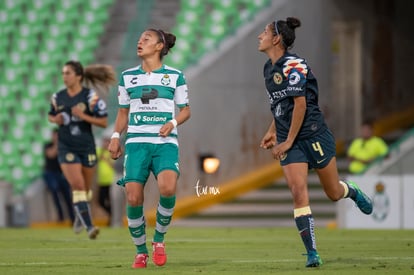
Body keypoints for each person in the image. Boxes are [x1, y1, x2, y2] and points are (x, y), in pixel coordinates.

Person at [258, 17, 373, 268]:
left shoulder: (295, 65)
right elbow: (281, 105)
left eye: (264, 32)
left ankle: (350, 190)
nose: (260, 36)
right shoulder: (268, 69)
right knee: (298, 191)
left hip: (313, 134)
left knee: (332, 193)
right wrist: (272, 130)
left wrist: (287, 140)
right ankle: (312, 252)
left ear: (276, 39)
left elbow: (300, 104)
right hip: (291, 141)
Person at [108, 28, 191, 268]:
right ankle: (141, 251)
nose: (140, 41)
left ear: (159, 47)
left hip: (165, 143)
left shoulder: (175, 76)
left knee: (168, 188)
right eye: (139, 38)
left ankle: (160, 240)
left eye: (146, 39)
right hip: (136, 143)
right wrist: (115, 136)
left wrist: (172, 122)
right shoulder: (127, 77)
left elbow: (186, 110)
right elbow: (123, 112)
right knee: (133, 197)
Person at [48, 60, 116, 239]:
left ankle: (81, 213)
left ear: (78, 76)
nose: (64, 77)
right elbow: (51, 115)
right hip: (66, 147)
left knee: (85, 189)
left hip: (86, 147)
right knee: (77, 185)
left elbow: (102, 121)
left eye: (68, 73)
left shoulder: (90, 97)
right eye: (63, 73)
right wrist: (57, 120)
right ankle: (89, 226)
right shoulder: (58, 97)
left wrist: (83, 115)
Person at [43, 128, 75, 224]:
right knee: (55, 190)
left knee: (67, 196)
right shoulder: (48, 145)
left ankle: (72, 218)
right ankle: (60, 216)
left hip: (62, 173)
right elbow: (51, 154)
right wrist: (58, 144)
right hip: (51, 173)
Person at [96, 136, 116, 225]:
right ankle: (111, 214)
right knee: (100, 201)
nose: (105, 144)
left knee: (111, 201)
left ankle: (112, 219)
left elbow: (115, 166)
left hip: (111, 181)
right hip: (102, 181)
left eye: (107, 142)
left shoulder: (112, 153)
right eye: (104, 142)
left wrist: (107, 160)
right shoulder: (99, 151)